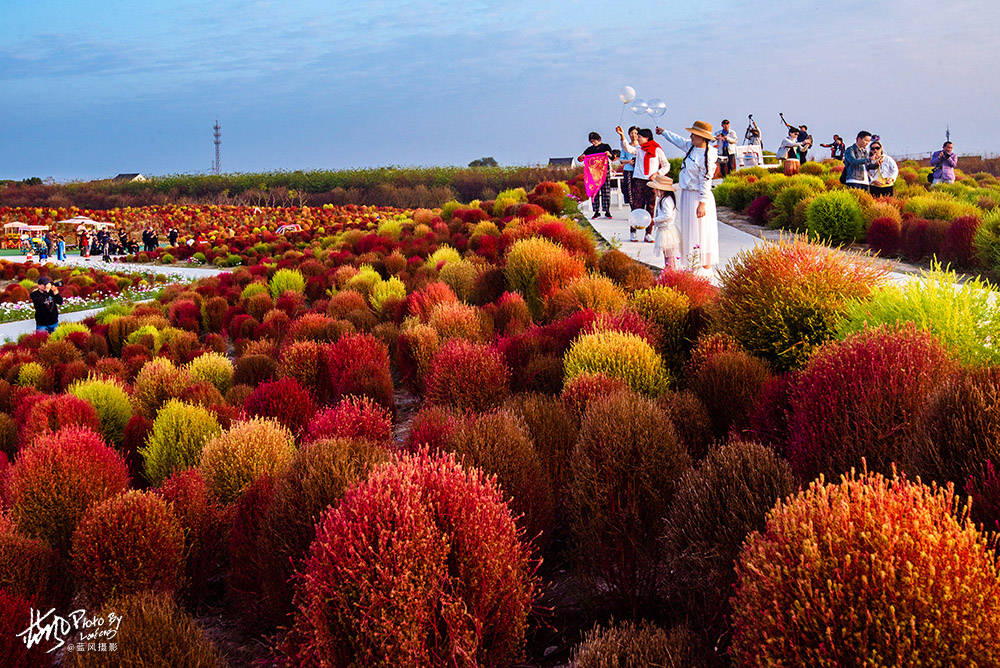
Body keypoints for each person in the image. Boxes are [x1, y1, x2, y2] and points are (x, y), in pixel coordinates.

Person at [656, 120, 719, 272]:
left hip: (698, 196)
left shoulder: (708, 155)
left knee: (702, 228)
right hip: (687, 195)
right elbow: (678, 140)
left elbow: (706, 179)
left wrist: (702, 202)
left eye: (693, 134)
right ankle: (693, 261)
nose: (690, 136)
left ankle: (704, 263)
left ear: (702, 137)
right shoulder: (692, 148)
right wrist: (664, 132)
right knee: (689, 228)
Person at [619, 126, 671, 241]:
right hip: (638, 181)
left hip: (651, 182)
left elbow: (666, 165)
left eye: (640, 136)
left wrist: (657, 174)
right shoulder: (639, 149)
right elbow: (627, 148)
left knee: (651, 207)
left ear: (647, 138)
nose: (638, 138)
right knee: (636, 206)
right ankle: (633, 231)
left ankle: (648, 233)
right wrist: (622, 135)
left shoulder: (657, 150)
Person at [578, 131, 614, 219]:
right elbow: (581, 159)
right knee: (594, 192)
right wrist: (581, 157)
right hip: (593, 175)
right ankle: (596, 211)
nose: (594, 143)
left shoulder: (606, 146)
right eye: (592, 141)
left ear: (599, 139)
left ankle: (607, 210)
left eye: (595, 141)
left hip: (605, 172)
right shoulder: (589, 149)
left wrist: (609, 154)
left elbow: (612, 157)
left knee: (606, 191)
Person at [647, 174, 680, 268]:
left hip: (667, 230)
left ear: (662, 190)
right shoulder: (663, 199)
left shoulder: (666, 200)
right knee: (667, 254)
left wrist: (654, 220)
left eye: (656, 189)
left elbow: (668, 215)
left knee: (668, 254)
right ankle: (669, 270)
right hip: (664, 229)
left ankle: (670, 271)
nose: (654, 191)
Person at [619, 126, 638, 207]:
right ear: (629, 135)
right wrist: (628, 161)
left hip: (639, 171)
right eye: (631, 133)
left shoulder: (641, 146)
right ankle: (632, 209)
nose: (633, 135)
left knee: (638, 190)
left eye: (635, 133)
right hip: (628, 170)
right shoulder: (625, 147)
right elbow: (621, 160)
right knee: (629, 190)